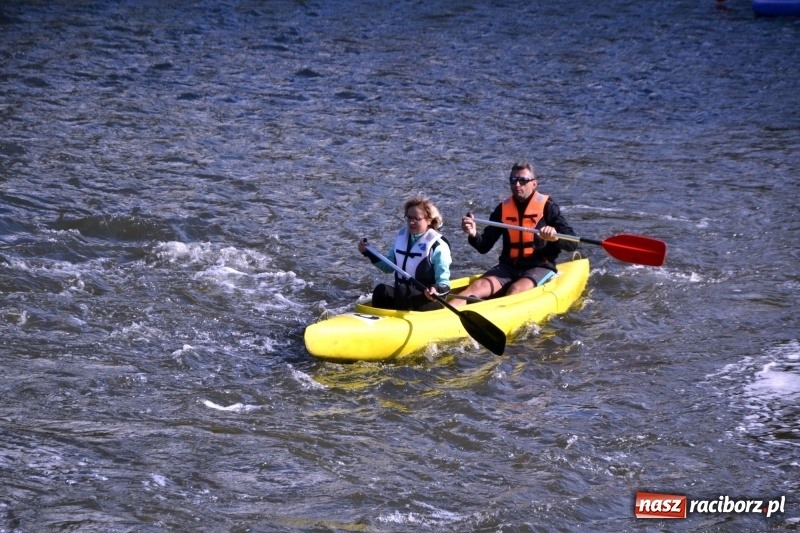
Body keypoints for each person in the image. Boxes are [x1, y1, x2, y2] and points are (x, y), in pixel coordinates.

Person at [452, 160, 577, 305]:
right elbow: (484, 246)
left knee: (515, 290)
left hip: (539, 267)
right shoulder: (502, 209)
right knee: (476, 287)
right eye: (513, 180)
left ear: (534, 184)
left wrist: (555, 238)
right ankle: (446, 313)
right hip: (508, 267)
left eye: (523, 181)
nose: (517, 184)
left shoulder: (549, 208)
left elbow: (572, 244)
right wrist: (473, 234)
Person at [358, 196, 451, 311]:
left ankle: (401, 320)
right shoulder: (403, 238)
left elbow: (444, 284)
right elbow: (388, 267)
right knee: (381, 290)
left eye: (416, 218)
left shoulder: (438, 246)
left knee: (403, 290)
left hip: (430, 300)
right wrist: (369, 253)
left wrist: (435, 289)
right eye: (409, 217)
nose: (411, 222)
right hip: (404, 297)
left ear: (429, 220)